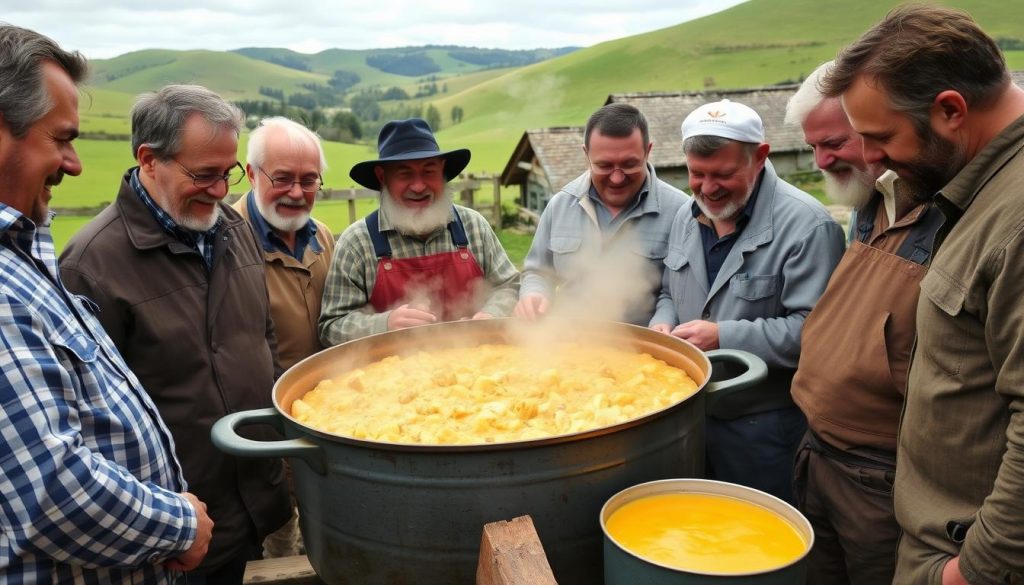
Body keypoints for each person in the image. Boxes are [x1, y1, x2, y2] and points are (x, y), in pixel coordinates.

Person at [0, 24, 212, 583]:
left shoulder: (21, 256)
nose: (74, 163)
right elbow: (51, 489)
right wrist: (179, 525)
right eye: (62, 138)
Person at [822, 6, 1024, 583]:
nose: (868, 158)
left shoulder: (1016, 215)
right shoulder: (981, 187)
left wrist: (976, 570)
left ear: (951, 110)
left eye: (880, 136)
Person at [59, 84, 290, 583]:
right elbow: (85, 425)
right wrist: (162, 525)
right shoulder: (91, 266)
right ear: (149, 160)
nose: (221, 190)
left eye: (227, 173)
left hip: (253, 503)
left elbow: (261, 337)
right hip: (175, 531)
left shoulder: (234, 228)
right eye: (204, 174)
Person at [784, 61, 943, 585]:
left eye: (833, 142)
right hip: (820, 452)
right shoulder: (868, 200)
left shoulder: (946, 204)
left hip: (880, 471)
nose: (821, 160)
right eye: (812, 147)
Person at [650, 99, 845, 504]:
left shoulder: (808, 227)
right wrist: (662, 324)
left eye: (723, 174)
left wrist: (724, 336)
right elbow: (671, 290)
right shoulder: (687, 216)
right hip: (691, 422)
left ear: (759, 157)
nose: (707, 188)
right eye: (696, 174)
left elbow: (820, 334)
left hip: (765, 429)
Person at [319, 117, 519, 344]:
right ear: (382, 177)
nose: (418, 186)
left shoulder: (474, 226)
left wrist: (488, 316)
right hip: (391, 374)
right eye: (405, 174)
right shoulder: (356, 242)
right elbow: (331, 326)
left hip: (477, 367)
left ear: (442, 171)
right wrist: (384, 324)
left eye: (428, 172)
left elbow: (510, 286)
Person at [233, 116, 333, 559]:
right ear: (252, 174)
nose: (297, 192)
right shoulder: (226, 244)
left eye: (308, 180)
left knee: (328, 534)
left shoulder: (324, 237)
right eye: (283, 178)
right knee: (279, 541)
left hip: (326, 423)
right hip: (263, 432)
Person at [514, 103, 688, 325]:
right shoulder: (560, 205)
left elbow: (676, 293)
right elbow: (537, 271)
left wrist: (663, 322)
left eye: (629, 164)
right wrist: (534, 294)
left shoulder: (680, 212)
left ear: (648, 151)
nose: (617, 178)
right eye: (604, 166)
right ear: (586, 154)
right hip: (567, 344)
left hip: (645, 352)